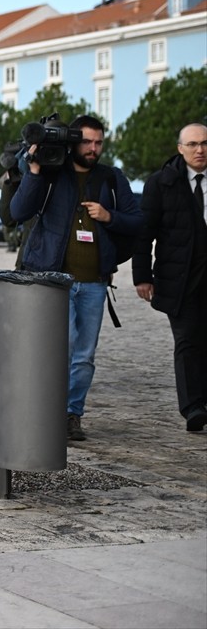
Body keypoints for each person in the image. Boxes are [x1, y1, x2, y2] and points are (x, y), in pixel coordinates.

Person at [10, 114, 142, 442]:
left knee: (85, 356)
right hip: (55, 280)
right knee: (62, 346)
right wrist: (35, 170)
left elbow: (137, 221)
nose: (93, 148)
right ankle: (48, 411)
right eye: (86, 141)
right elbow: (18, 211)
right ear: (73, 141)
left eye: (98, 142)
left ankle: (72, 414)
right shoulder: (54, 173)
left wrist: (109, 216)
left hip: (95, 283)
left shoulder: (112, 178)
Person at [133, 123, 207, 432]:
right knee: (187, 340)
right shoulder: (161, 184)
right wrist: (142, 276)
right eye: (192, 144)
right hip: (180, 278)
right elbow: (143, 233)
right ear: (180, 148)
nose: (200, 150)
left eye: (204, 143)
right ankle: (193, 407)